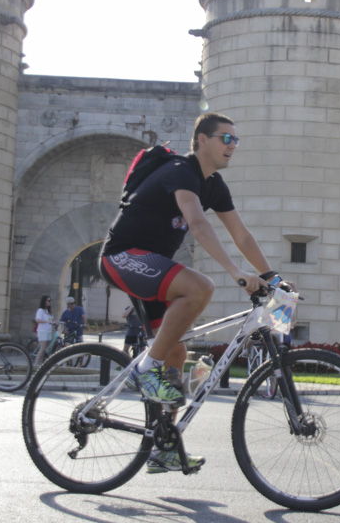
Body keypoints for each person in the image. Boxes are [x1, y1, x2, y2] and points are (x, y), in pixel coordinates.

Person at [99, 112, 284, 474]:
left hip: (152, 266)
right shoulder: (181, 172)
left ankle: (163, 447)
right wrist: (236, 273)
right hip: (123, 257)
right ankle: (144, 370)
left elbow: (241, 234)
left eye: (236, 140)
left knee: (177, 351)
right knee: (201, 287)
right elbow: (197, 223)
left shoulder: (214, 184)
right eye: (225, 139)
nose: (233, 146)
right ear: (202, 140)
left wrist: (272, 276)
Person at [33, 295, 53, 367]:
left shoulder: (47, 311)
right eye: (48, 300)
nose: (49, 302)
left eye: (50, 300)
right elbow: (37, 320)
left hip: (47, 331)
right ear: (44, 301)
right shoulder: (40, 310)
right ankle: (36, 363)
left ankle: (41, 364)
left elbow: (50, 320)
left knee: (44, 348)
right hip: (42, 331)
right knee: (42, 347)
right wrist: (46, 321)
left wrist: (55, 322)